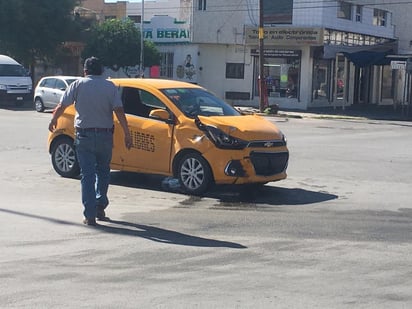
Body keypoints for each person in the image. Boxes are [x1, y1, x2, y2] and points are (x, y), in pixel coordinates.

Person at [49, 56, 132, 226]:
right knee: (103, 172)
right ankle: (100, 206)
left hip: (84, 136)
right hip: (105, 135)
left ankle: (90, 214)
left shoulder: (78, 85)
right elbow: (119, 111)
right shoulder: (110, 87)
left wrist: (53, 120)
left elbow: (62, 106)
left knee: (87, 176)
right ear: (101, 71)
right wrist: (127, 133)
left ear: (85, 71)